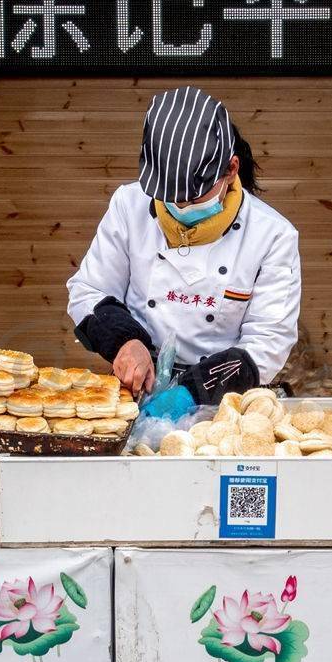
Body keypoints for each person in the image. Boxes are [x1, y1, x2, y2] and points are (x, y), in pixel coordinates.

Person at [68, 85, 301, 415]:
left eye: (192, 197)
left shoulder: (272, 235)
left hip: (222, 401)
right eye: (168, 194)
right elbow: (90, 290)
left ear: (231, 169)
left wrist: (189, 394)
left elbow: (268, 342)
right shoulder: (129, 205)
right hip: (134, 388)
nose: (179, 205)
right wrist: (127, 342)